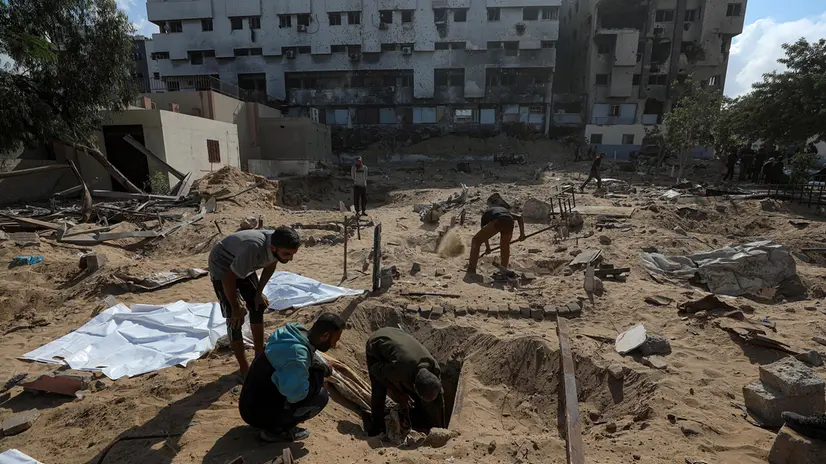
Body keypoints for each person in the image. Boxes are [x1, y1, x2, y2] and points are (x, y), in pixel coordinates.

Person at [208, 226, 301, 377]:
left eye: (292, 254)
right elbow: (229, 278)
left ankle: (259, 357)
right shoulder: (253, 249)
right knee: (234, 318)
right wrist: (235, 306)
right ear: (272, 247)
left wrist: (259, 292)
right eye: (287, 254)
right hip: (223, 265)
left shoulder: (276, 244)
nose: (290, 259)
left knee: (258, 306)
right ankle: (244, 368)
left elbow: (271, 264)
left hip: (243, 264)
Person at [239, 313, 345, 442]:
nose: (334, 345)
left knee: (316, 371)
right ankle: (275, 431)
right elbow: (296, 397)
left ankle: (275, 421)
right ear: (325, 336)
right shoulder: (296, 356)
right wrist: (318, 384)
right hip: (255, 414)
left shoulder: (294, 332)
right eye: (335, 340)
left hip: (251, 400)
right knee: (321, 396)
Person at [365, 327, 444, 437]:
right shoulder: (399, 369)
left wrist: (441, 428)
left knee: (413, 397)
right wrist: (398, 393)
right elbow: (375, 371)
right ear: (415, 386)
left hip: (399, 338)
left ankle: (418, 420)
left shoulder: (434, 368)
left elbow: (440, 401)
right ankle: (376, 428)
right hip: (378, 343)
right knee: (379, 391)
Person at [467, 204, 526, 274]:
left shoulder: (485, 216)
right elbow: (519, 217)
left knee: (476, 240)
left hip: (498, 221)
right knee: (505, 246)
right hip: (509, 221)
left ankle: (471, 269)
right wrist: (522, 234)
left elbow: (484, 236)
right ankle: (504, 270)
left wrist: (488, 248)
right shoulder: (505, 211)